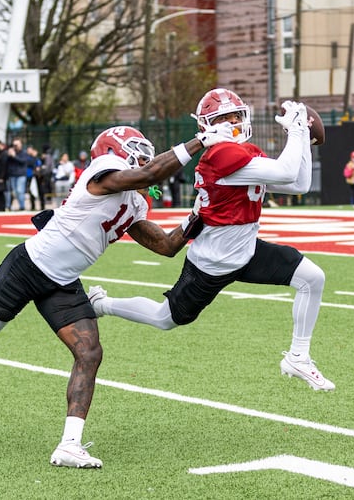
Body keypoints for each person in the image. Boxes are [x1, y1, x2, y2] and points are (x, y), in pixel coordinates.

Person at [0, 123, 233, 468]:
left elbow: (165, 246)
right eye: (134, 147)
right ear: (111, 151)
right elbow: (148, 174)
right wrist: (200, 141)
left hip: (63, 280)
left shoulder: (134, 200)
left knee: (89, 352)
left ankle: (69, 444)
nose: (143, 154)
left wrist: (200, 213)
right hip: (29, 266)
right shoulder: (101, 173)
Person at [88, 89, 334, 392]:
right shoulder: (220, 154)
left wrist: (304, 141)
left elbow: (299, 184)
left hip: (246, 250)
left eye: (235, 115)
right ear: (207, 125)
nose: (232, 122)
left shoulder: (242, 152)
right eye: (222, 117)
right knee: (165, 318)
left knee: (313, 278)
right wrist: (296, 130)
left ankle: (298, 356)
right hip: (212, 263)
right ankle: (102, 304)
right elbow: (285, 172)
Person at [36, 144, 54, 210]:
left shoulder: (47, 156)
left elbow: (47, 167)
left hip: (45, 175)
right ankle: (44, 203)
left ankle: (46, 202)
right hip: (46, 175)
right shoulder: (47, 156)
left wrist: (42, 172)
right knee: (44, 189)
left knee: (44, 189)